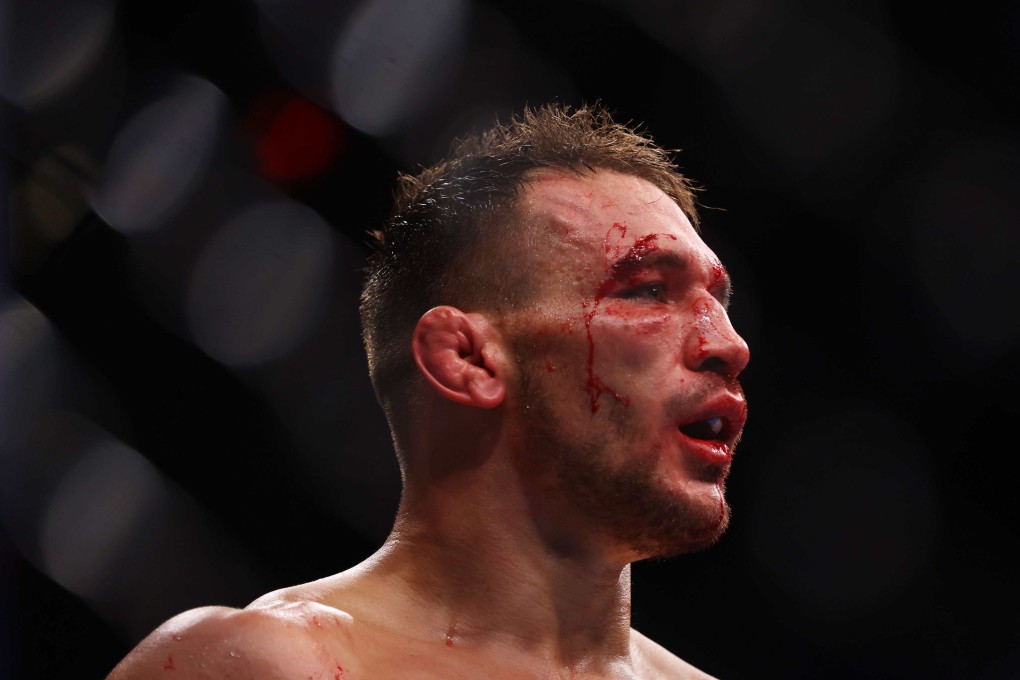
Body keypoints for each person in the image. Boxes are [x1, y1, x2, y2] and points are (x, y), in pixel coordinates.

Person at [108, 103, 750, 679]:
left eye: (717, 301)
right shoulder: (278, 665)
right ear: (467, 358)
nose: (728, 344)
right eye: (646, 291)